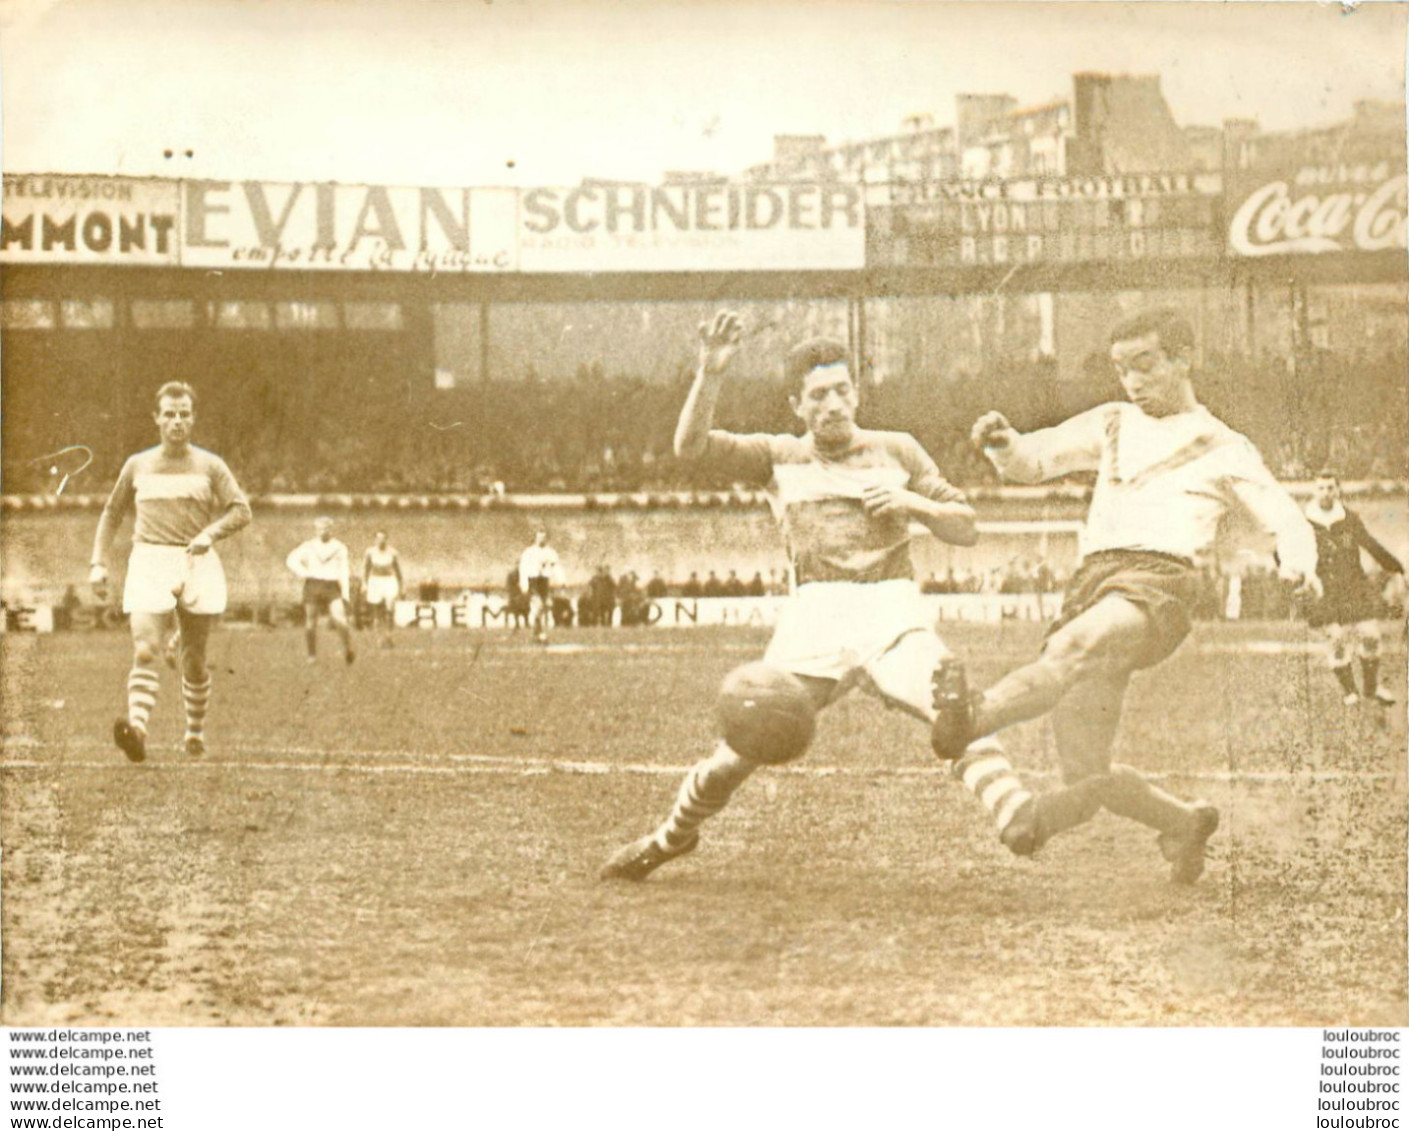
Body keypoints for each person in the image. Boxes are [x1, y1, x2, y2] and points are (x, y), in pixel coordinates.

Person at [601, 311, 997, 881]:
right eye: (817, 396)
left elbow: (966, 525)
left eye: (841, 390)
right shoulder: (780, 455)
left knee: (957, 715)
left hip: (891, 605)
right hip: (815, 612)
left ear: (856, 393)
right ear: (796, 406)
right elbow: (689, 448)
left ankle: (1021, 818)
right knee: (736, 755)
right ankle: (668, 839)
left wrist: (916, 506)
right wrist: (710, 373)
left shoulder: (900, 451)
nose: (832, 404)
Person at [931, 308, 1322, 884]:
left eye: (1146, 366)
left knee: (1072, 649)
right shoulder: (1112, 421)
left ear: (1183, 358)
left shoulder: (1224, 445)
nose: (1134, 382)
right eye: (1122, 370)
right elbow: (1035, 461)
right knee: (1085, 771)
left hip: (1159, 582)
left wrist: (1300, 565)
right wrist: (1003, 444)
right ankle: (1185, 823)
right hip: (1092, 580)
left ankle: (971, 717)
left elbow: (1286, 518)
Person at [89, 381, 252, 761]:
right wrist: (97, 562)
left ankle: (194, 732)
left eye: (184, 414)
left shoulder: (211, 465)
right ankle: (138, 732)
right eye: (169, 414)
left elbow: (241, 509)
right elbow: (112, 512)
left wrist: (210, 534)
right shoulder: (137, 464)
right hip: (148, 561)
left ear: (192, 418)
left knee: (193, 659)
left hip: (195, 562)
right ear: (157, 418)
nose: (177, 421)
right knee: (145, 649)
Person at [1304, 470, 1404, 706]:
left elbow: (1370, 545)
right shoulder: (1306, 523)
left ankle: (1371, 688)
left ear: (1337, 490)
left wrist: (1396, 567)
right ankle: (1350, 691)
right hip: (1323, 589)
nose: (1326, 493)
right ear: (1314, 490)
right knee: (1337, 639)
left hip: (1353, 585)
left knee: (1370, 635)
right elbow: (1285, 550)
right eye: (1321, 488)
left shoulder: (1350, 518)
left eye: (1330, 488)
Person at [286, 517, 356, 664]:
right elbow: (291, 560)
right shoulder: (308, 546)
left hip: (332, 586)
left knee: (340, 619)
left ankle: (348, 648)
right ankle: (312, 655)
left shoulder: (339, 547)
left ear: (331, 530)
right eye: (319, 529)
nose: (322, 531)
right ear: (315, 530)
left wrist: (346, 593)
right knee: (311, 622)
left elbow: (344, 570)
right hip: (313, 585)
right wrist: (304, 573)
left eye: (325, 528)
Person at [362, 531, 404, 649]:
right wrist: (364, 584)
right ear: (375, 540)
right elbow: (365, 569)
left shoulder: (393, 553)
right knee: (377, 612)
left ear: (387, 539)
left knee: (390, 608)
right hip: (375, 581)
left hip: (389, 580)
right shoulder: (369, 552)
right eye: (379, 538)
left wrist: (402, 586)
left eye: (383, 538)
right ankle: (380, 639)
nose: (381, 541)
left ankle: (389, 635)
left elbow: (398, 570)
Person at [518, 529, 560, 643]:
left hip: (544, 581)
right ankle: (539, 633)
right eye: (539, 537)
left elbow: (555, 566)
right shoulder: (529, 552)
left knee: (543, 607)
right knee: (538, 606)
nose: (541, 539)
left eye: (543, 537)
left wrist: (558, 579)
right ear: (535, 538)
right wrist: (524, 585)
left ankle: (536, 633)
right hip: (533, 581)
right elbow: (523, 569)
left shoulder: (550, 552)